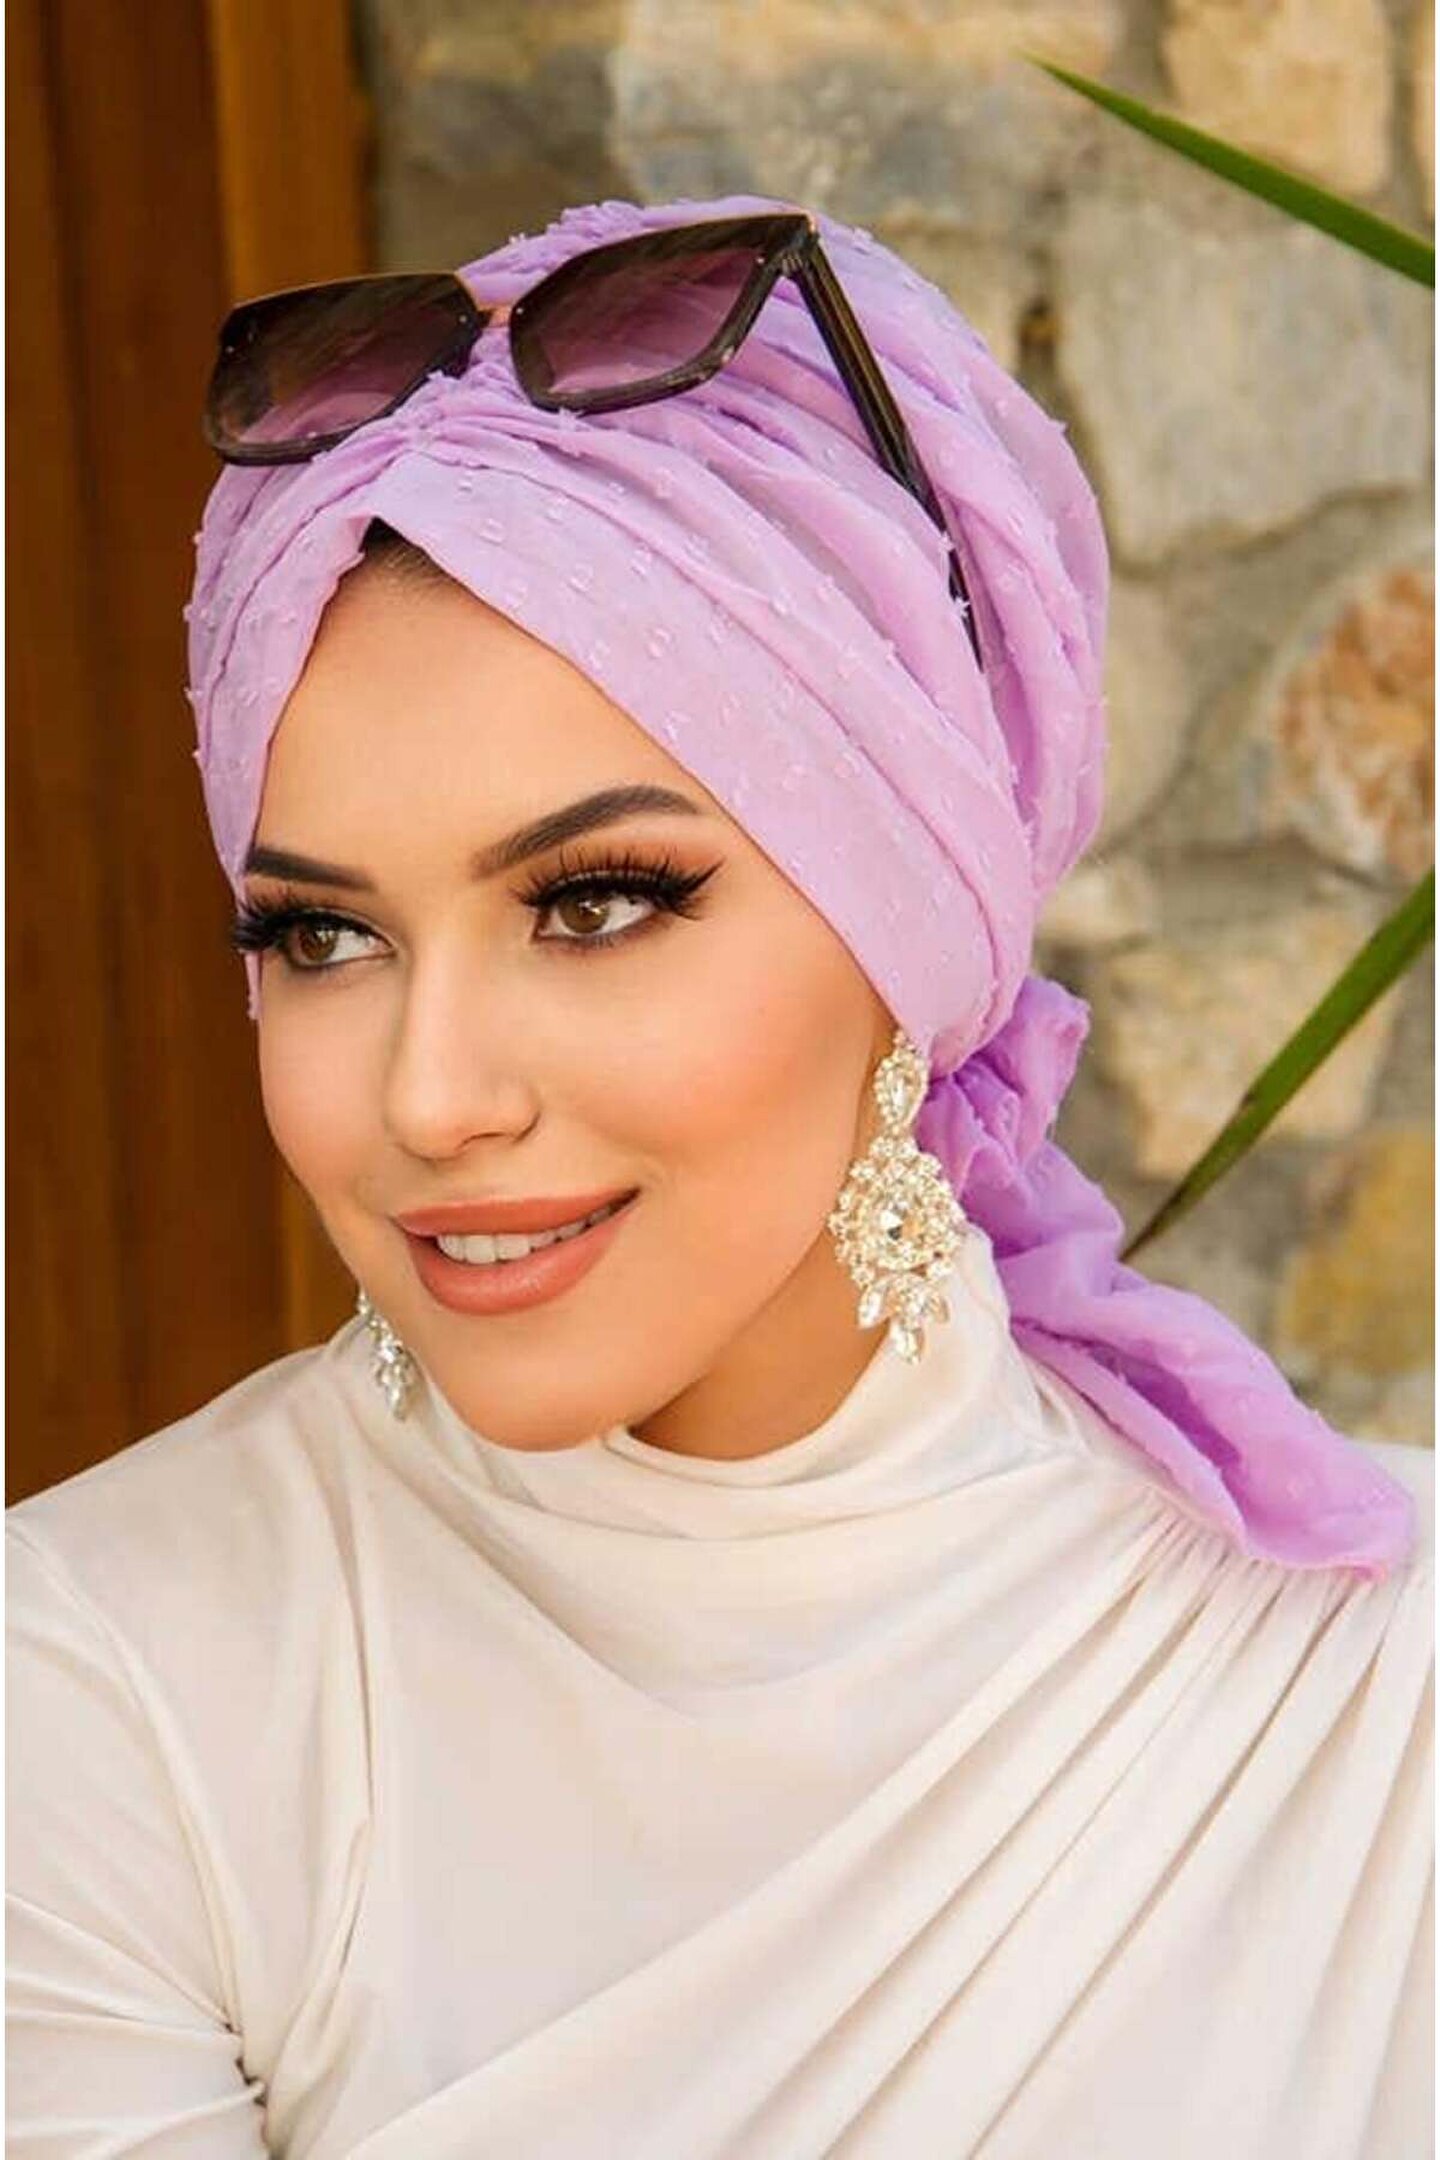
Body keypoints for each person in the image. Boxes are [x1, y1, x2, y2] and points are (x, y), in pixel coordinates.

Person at [7, 194, 1431, 2158]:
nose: (430, 1095)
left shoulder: (1367, 1691)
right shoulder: (102, 1691)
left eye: (595, 903)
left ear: (913, 933)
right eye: (323, 938)